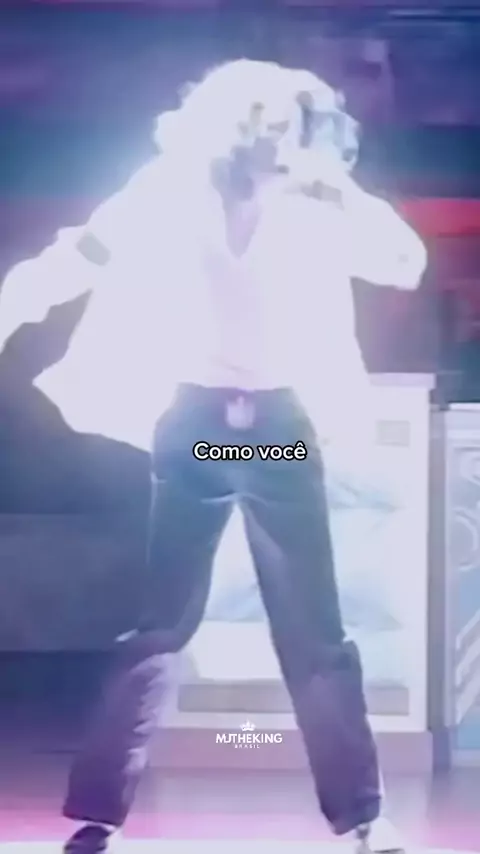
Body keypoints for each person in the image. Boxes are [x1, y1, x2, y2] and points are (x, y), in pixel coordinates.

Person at [0, 60, 427, 854]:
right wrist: (10, 307)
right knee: (161, 626)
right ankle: (98, 817)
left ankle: (363, 817)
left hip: (279, 429)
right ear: (228, 124)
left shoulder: (316, 201)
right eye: (266, 119)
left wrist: (342, 190)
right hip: (197, 425)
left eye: (291, 122)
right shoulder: (168, 190)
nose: (277, 135)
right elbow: (77, 257)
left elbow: (404, 265)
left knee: (315, 633)